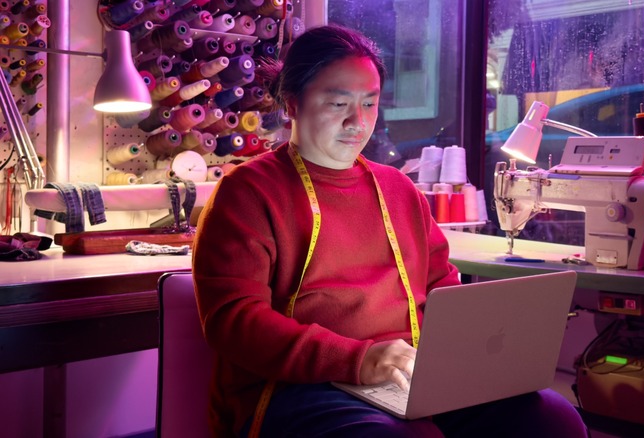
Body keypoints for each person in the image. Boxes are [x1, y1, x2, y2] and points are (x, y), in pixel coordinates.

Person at [192, 24, 588, 437]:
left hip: (407, 377)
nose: (357, 122)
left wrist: (481, 349)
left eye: (370, 103)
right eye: (338, 103)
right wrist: (358, 360)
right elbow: (234, 322)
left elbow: (442, 289)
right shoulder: (247, 193)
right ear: (291, 105)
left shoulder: (398, 189)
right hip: (296, 387)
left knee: (551, 419)